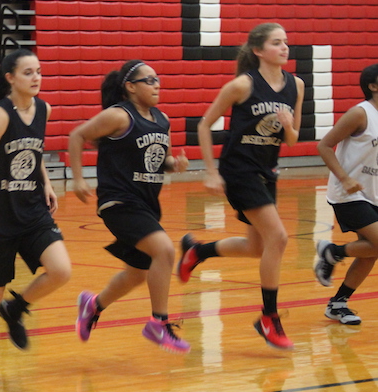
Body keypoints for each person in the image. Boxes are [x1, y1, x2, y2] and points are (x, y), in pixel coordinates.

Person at [176, 22, 304, 350]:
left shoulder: (297, 86)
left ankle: (197, 251)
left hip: (266, 172)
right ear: (259, 51)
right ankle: (268, 317)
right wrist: (210, 171)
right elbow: (204, 125)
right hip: (239, 170)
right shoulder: (242, 85)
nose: (284, 47)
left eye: (286, 42)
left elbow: (291, 140)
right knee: (278, 238)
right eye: (277, 43)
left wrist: (288, 126)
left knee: (257, 248)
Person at [0, 48, 72, 385]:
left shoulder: (44, 108)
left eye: (38, 71)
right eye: (28, 72)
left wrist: (48, 182)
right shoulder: (0, 115)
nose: (36, 77)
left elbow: (33, 150)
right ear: (10, 78)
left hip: (32, 208)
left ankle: (17, 308)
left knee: (61, 270)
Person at [69, 60, 190, 353]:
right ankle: (158, 324)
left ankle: (92, 306)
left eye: (158, 79)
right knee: (165, 250)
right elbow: (77, 136)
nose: (156, 84)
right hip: (119, 201)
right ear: (131, 87)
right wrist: (77, 179)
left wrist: (176, 164)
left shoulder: (162, 119)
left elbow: (162, 161)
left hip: (146, 203)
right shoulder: (119, 116)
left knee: (138, 273)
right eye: (149, 80)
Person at [312, 63, 378, 325]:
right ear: (373, 86)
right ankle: (333, 252)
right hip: (348, 192)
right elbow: (324, 146)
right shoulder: (360, 114)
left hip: (372, 191)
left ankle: (338, 303)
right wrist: (345, 178)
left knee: (372, 251)